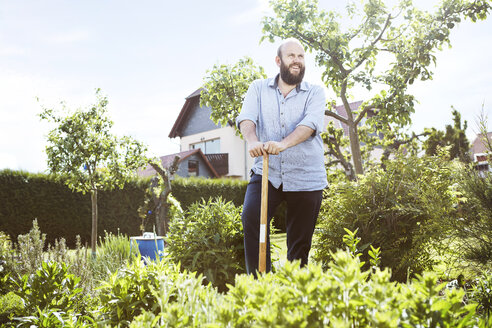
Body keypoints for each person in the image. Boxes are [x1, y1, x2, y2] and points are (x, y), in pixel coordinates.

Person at [236, 38, 327, 275]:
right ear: (279, 61)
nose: (297, 61)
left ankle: (294, 295)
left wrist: (283, 144)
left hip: (306, 176)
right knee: (252, 217)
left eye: (301, 56)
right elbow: (247, 118)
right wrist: (253, 141)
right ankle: (260, 287)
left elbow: (309, 126)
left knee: (298, 246)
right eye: (291, 56)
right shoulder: (258, 88)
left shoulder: (315, 93)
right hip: (268, 171)